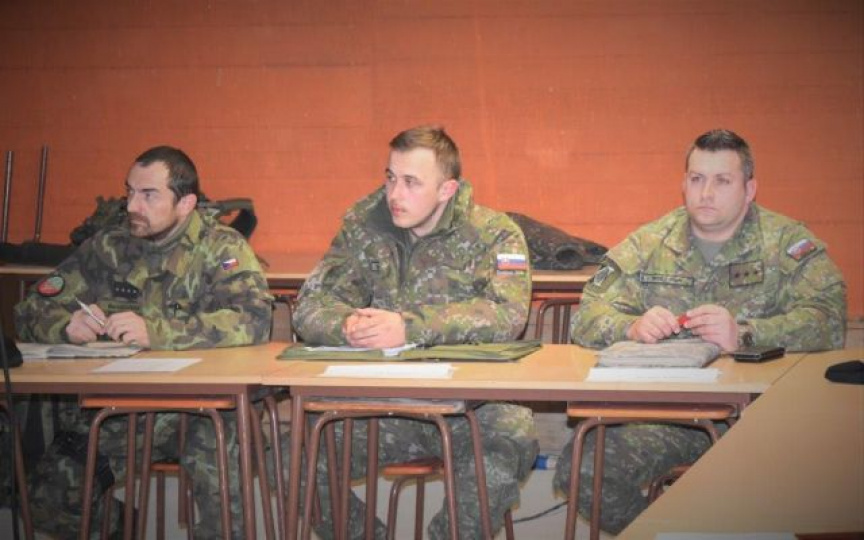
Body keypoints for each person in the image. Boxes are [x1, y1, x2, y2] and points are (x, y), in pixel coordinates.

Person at [555, 129, 847, 534]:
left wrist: (744, 333)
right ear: (683, 183)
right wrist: (631, 326)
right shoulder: (650, 243)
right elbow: (587, 315)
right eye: (696, 179)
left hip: (766, 418)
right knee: (585, 468)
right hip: (671, 419)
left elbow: (828, 318)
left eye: (722, 181)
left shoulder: (785, 242)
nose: (706, 193)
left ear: (749, 189)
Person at [13, 145, 272, 539]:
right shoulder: (109, 247)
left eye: (149, 195)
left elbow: (253, 319)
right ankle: (124, 528)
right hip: (124, 409)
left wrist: (158, 332)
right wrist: (65, 325)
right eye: (129, 192)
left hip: (206, 410)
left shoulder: (221, 247)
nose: (133, 205)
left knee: (223, 505)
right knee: (44, 500)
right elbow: (30, 308)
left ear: (185, 203)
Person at [293, 125, 538, 539]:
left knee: (510, 437)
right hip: (381, 408)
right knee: (292, 457)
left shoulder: (494, 234)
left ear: (447, 190)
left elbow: (507, 315)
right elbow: (310, 305)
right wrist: (347, 326)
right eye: (390, 177)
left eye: (411, 182)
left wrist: (410, 327)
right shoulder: (364, 228)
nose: (394, 194)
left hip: (468, 408)